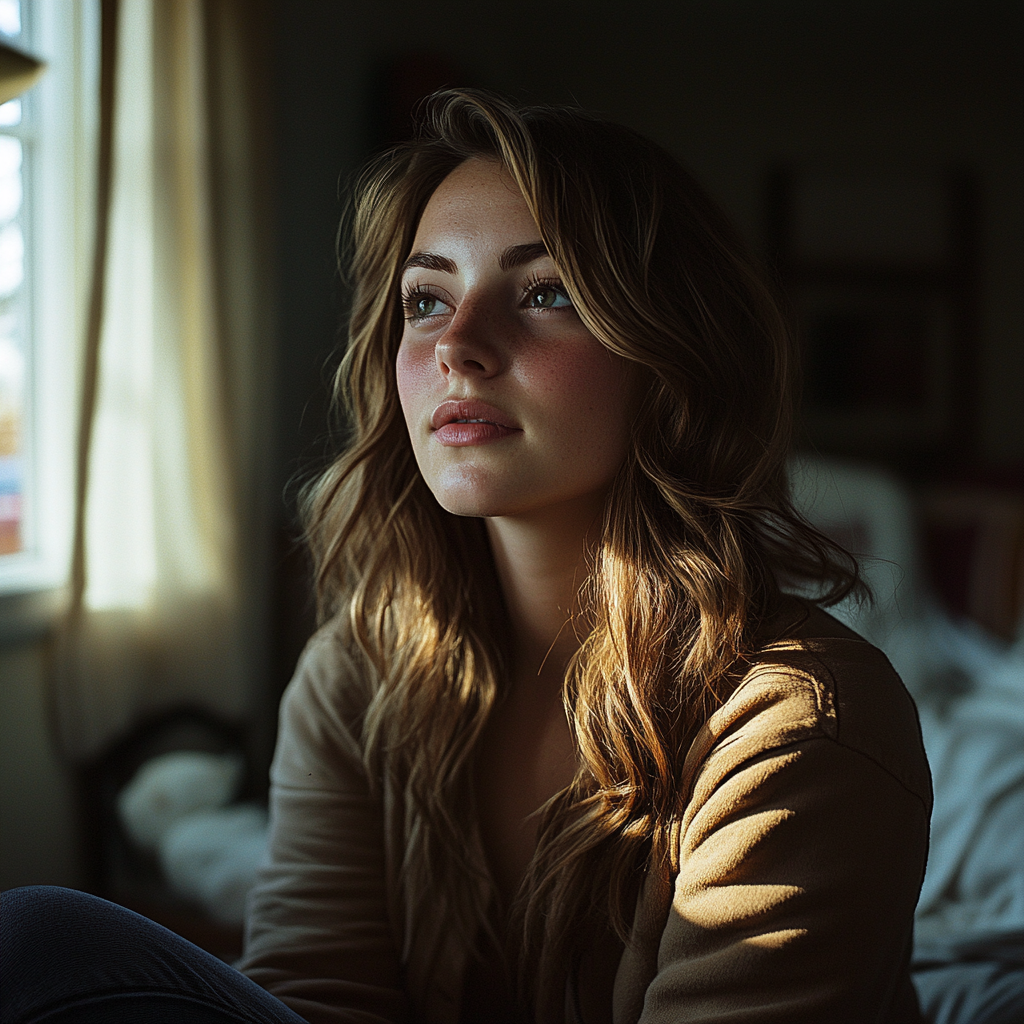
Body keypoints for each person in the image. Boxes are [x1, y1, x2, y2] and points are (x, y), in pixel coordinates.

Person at [1, 90, 931, 1024]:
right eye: (426, 298)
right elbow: (315, 1002)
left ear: (671, 354)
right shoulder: (360, 678)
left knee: (41, 938)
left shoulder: (797, 730)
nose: (457, 346)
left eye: (545, 292)